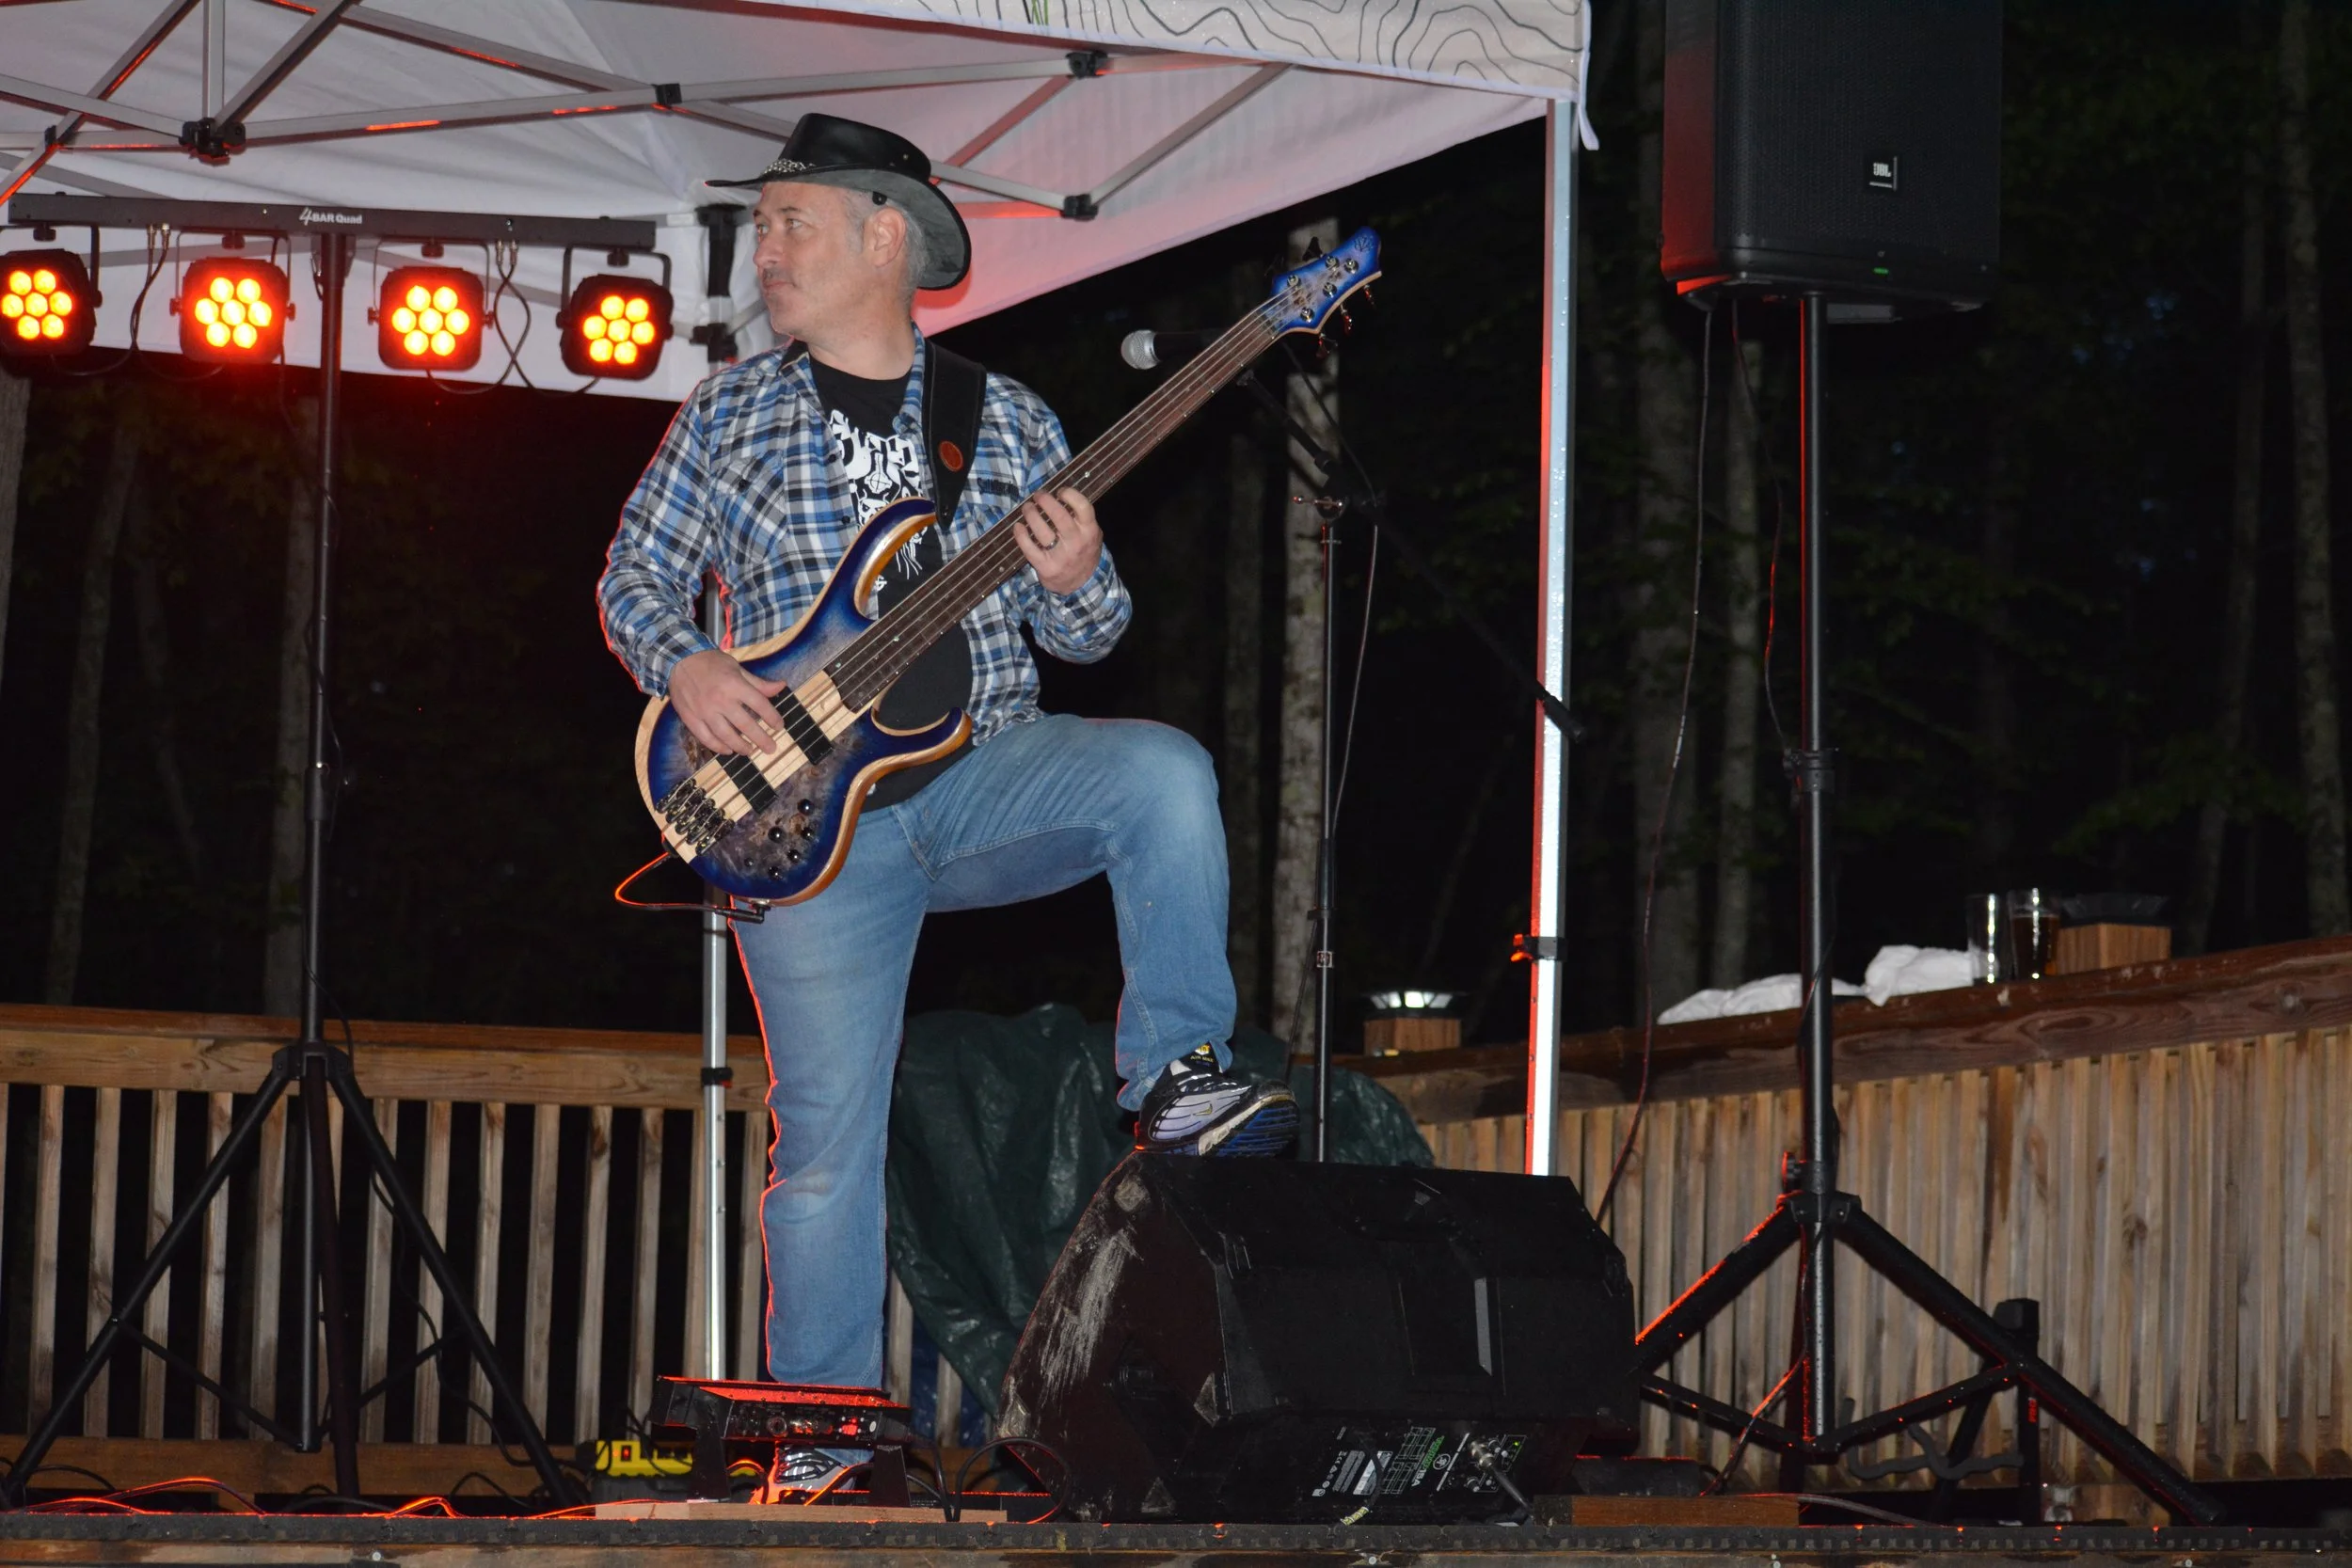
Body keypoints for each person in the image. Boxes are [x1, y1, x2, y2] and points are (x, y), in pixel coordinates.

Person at [596, 115, 1297, 1421]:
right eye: (764, 226)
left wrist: (1076, 576)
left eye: (790, 222)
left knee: (1164, 775)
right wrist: (685, 664)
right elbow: (633, 573)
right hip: (805, 825)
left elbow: (1090, 634)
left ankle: (1178, 1074)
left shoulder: (1005, 417)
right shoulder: (729, 410)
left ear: (885, 236)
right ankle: (825, 1430)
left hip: (986, 776)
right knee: (824, 1148)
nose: (766, 250)